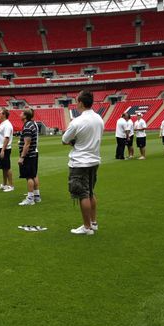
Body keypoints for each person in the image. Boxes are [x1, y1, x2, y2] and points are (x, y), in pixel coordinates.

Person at [62, 90, 103, 236]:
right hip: (94, 159)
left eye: (76, 100)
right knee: (90, 192)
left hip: (80, 162)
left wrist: (74, 142)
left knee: (83, 195)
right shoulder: (99, 118)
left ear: (80, 102)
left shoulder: (77, 121)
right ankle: (93, 222)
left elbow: (64, 140)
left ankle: (87, 227)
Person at [17, 108, 40, 206]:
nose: (20, 114)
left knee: (29, 176)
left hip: (29, 155)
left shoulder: (27, 126)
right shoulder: (32, 124)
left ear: (25, 116)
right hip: (33, 154)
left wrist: (22, 156)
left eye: (22, 113)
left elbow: (27, 144)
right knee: (34, 174)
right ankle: (36, 196)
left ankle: (30, 198)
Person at [0, 108, 14, 191]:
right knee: (3, 167)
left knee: (7, 167)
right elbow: (0, 138)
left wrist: (2, 150)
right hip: (0, 147)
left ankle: (11, 185)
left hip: (5, 148)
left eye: (0, 113)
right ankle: (5, 184)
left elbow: (6, 138)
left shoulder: (7, 125)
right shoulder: (2, 124)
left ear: (4, 115)